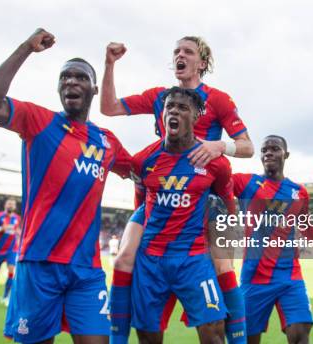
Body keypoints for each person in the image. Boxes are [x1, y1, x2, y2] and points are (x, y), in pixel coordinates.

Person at [0, 28, 132, 344]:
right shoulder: (39, 121)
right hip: (39, 265)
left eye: (79, 78)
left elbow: (144, 170)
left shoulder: (106, 141)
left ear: (92, 88)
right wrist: (25, 48)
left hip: (86, 270)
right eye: (64, 78)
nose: (71, 82)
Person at [102, 36, 252, 343]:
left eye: (188, 52)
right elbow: (109, 108)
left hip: (205, 195)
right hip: (163, 189)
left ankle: (237, 337)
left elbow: (248, 147)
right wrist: (109, 64)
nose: (179, 56)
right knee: (124, 256)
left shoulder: (218, 99)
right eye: (176, 52)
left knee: (223, 263)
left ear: (203, 63)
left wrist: (218, 145)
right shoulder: (161, 96)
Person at [129, 87, 236, 343]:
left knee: (214, 330)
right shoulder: (143, 160)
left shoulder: (215, 163)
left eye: (182, 107)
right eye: (170, 107)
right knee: (147, 336)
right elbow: (140, 205)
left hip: (193, 260)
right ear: (163, 114)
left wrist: (228, 253)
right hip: (151, 261)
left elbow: (226, 206)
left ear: (197, 117)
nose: (174, 111)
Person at [231, 135, 313, 344]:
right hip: (255, 277)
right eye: (264, 150)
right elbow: (216, 176)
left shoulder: (299, 192)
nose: (268, 152)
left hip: (289, 276)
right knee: (247, 340)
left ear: (286, 155)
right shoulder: (245, 183)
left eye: (274, 148)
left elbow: (305, 225)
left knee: (301, 331)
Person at [0, 199, 21, 304]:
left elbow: (17, 230)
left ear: (14, 207)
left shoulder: (17, 218)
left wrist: (18, 235)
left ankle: (5, 296)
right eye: (9, 203)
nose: (11, 205)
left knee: (11, 271)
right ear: (5, 205)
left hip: (12, 249)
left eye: (12, 204)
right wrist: (0, 228)